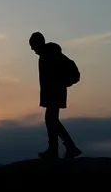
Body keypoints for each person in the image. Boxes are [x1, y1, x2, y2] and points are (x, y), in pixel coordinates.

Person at [29, 32, 82, 160]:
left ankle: (66, 148)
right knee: (51, 120)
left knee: (51, 119)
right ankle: (58, 149)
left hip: (55, 93)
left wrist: (64, 82)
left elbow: (70, 70)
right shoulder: (45, 56)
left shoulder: (51, 54)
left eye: (33, 46)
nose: (32, 49)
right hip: (52, 93)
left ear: (39, 43)